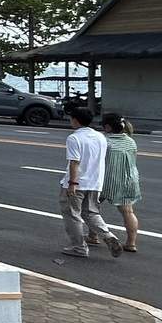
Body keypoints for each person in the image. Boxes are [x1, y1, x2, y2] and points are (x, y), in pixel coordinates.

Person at [58, 106, 121, 259]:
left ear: (76, 120)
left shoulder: (74, 138)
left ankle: (79, 247)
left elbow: (74, 162)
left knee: (72, 214)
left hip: (77, 183)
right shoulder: (100, 136)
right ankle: (108, 235)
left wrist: (72, 183)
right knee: (91, 213)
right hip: (95, 182)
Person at [100, 112, 142, 252]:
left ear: (107, 127)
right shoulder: (131, 141)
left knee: (92, 208)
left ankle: (92, 235)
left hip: (107, 180)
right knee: (128, 212)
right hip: (129, 179)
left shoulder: (105, 142)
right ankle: (131, 243)